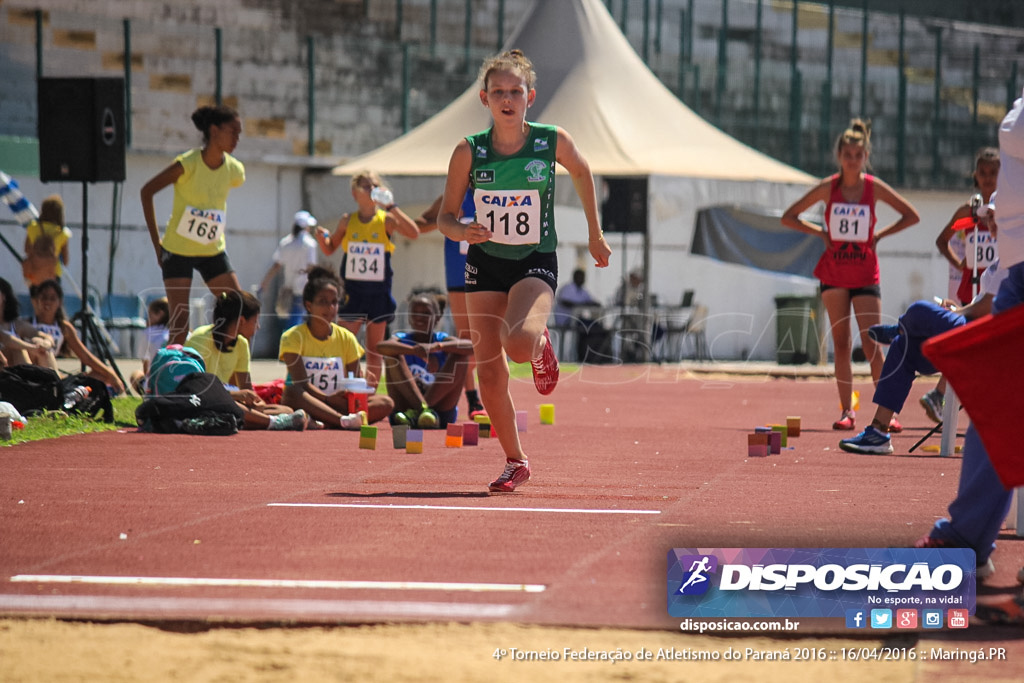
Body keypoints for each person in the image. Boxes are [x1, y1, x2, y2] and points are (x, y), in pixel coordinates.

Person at [437, 49, 611, 492]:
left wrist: (595, 233)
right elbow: (445, 217)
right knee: (488, 372)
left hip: (534, 260)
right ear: (484, 98)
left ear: (530, 96)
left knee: (516, 345)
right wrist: (463, 230)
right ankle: (516, 460)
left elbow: (582, 169)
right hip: (484, 262)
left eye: (515, 91)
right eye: (499, 92)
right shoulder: (468, 151)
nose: (507, 99)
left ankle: (537, 345)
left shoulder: (550, 140)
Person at [915, 87, 1024, 623]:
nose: (987, 179)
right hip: (1013, 274)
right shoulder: (970, 212)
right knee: (993, 400)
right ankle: (968, 537)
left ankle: (967, 537)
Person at [781, 118, 920, 431]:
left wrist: (880, 235)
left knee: (872, 344)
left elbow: (912, 215)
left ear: (865, 156)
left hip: (865, 272)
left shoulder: (873, 187)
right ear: (839, 156)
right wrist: (820, 233)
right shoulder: (829, 187)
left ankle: (890, 412)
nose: (853, 160)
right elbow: (789, 217)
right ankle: (847, 410)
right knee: (841, 344)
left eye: (858, 155)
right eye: (848, 155)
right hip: (834, 272)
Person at [838, 261, 1005, 455]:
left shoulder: (1015, 251)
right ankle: (878, 432)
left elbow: (989, 308)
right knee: (902, 346)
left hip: (984, 335)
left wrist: (956, 312)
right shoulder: (1003, 253)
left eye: (994, 226)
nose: (991, 228)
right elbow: (984, 303)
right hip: (971, 326)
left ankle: (901, 327)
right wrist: (960, 308)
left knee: (920, 309)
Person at [140, 104, 245, 347]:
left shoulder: (234, 170)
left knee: (237, 308)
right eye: (233, 132)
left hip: (212, 251)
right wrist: (158, 246)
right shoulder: (187, 164)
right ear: (214, 130)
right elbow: (146, 192)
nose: (237, 139)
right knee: (180, 322)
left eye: (240, 133)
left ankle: (223, 366)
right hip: (178, 251)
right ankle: (167, 377)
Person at [315, 171, 419, 388]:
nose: (371, 189)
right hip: (352, 290)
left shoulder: (386, 220)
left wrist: (391, 206)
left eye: (374, 185)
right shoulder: (347, 221)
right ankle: (344, 388)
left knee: (374, 349)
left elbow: (414, 232)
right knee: (345, 343)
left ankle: (369, 393)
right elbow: (329, 249)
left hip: (378, 291)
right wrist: (322, 238)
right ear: (355, 193)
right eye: (365, 186)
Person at [921, 147, 1001, 422]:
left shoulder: (1010, 209)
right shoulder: (969, 211)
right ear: (975, 175)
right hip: (974, 286)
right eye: (983, 173)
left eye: (994, 173)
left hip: (998, 284)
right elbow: (942, 240)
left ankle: (949, 397)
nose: (988, 178)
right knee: (969, 341)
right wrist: (960, 265)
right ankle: (941, 395)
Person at [279, 267, 394, 429]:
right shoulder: (292, 336)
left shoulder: (347, 338)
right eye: (323, 302)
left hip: (339, 402)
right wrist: (327, 398)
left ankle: (326, 420)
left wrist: (362, 386)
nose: (330, 308)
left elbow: (353, 380)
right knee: (292, 392)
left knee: (385, 402)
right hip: (308, 399)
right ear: (309, 305)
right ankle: (342, 421)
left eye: (334, 302)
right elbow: (301, 383)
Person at [186, 290, 307, 431]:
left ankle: (262, 420)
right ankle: (272, 422)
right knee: (229, 405)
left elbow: (246, 388)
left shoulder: (242, 344)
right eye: (256, 321)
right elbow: (198, 388)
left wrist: (257, 403)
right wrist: (236, 395)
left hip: (228, 401)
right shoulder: (201, 339)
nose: (258, 327)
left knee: (286, 410)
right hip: (201, 400)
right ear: (242, 321)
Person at [415, 192, 486, 417]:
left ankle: (450, 371)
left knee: (492, 338)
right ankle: (473, 399)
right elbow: (419, 226)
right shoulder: (452, 197)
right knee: (466, 339)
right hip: (459, 276)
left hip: (490, 274)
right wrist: (447, 220)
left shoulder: (496, 191)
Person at [377, 292, 475, 428]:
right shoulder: (402, 339)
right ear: (410, 318)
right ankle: (422, 409)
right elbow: (381, 347)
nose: (420, 318)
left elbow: (472, 347)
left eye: (426, 313)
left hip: (440, 412)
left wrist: (437, 347)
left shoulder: (441, 340)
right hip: (405, 411)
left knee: (460, 355)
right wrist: (414, 351)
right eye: (415, 314)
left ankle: (424, 411)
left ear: (437, 318)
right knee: (392, 355)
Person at [25, 279, 125, 394]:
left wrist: (111, 375)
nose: (48, 302)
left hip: (54, 375)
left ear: (59, 302)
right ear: (36, 300)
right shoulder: (26, 324)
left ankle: (76, 391)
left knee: (101, 375)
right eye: (44, 297)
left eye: (52, 298)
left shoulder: (64, 327)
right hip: (32, 376)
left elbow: (85, 356)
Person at [259, 210, 320, 329]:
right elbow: (312, 267)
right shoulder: (310, 244)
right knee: (298, 322)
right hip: (304, 288)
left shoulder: (286, 243)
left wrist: (264, 283)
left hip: (289, 288)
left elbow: (276, 265)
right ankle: (291, 345)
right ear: (306, 227)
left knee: (290, 319)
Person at [555, 268, 610, 364]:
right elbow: (565, 302)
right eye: (580, 277)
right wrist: (581, 304)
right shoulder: (568, 288)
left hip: (579, 320)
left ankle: (594, 357)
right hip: (566, 320)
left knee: (598, 328)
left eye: (583, 278)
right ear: (575, 277)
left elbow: (590, 301)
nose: (582, 279)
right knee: (588, 327)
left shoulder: (583, 291)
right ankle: (583, 356)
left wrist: (594, 304)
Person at [22, 195, 71, 288]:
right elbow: (65, 261)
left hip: (34, 271)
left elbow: (26, 249)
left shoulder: (32, 227)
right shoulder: (63, 233)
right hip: (53, 273)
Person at [0, 276, 49, 366]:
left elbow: (41, 335)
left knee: (39, 344)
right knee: (18, 348)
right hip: (4, 368)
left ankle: (53, 377)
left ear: (4, 296)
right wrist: (32, 347)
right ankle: (27, 377)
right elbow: (5, 338)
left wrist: (45, 343)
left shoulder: (15, 324)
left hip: (12, 368)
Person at [129, 297, 170, 395]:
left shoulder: (149, 333)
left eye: (150, 315)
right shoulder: (183, 333)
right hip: (178, 380)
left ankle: (147, 395)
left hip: (157, 383)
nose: (148, 319)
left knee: (135, 375)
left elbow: (145, 362)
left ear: (159, 314)